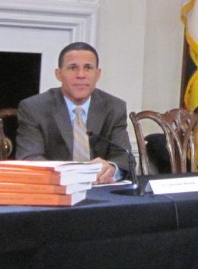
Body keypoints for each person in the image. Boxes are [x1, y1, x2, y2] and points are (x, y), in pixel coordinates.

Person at [14, 42, 130, 185]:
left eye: (88, 68)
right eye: (73, 68)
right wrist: (71, 174)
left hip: (99, 189)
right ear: (59, 74)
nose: (81, 75)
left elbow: (124, 157)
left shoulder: (114, 107)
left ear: (97, 74)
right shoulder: (34, 108)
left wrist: (112, 168)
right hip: (55, 190)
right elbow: (29, 158)